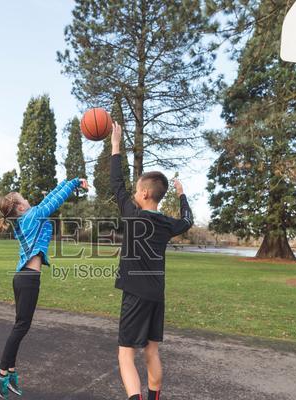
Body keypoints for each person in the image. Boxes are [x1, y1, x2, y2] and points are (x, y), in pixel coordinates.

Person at [110, 122, 193, 400]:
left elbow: (116, 184)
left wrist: (115, 147)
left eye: (136, 191)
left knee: (125, 354)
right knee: (152, 351)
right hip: (157, 294)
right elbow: (188, 221)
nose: (133, 194)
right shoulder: (168, 224)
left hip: (135, 295)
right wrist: (181, 194)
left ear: (145, 194)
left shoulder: (133, 216)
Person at [0, 177, 88, 399]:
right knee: (21, 326)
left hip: (22, 277)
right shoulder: (32, 215)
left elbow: (50, 198)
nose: (28, 200)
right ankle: (0, 372)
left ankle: (10, 373)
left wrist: (71, 181)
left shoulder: (27, 218)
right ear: (21, 207)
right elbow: (55, 201)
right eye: (24, 199)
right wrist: (73, 185)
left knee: (20, 325)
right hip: (29, 278)